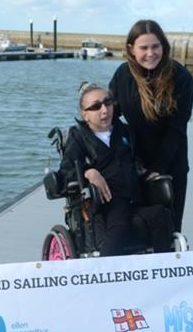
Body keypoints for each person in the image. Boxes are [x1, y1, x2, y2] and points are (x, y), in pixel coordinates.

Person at [59, 83, 174, 256]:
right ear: (85, 114)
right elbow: (65, 172)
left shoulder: (125, 132)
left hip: (135, 199)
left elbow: (139, 162)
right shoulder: (79, 138)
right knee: (120, 225)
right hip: (108, 203)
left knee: (161, 215)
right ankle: (106, 273)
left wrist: (150, 173)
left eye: (108, 103)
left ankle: (163, 269)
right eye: (96, 107)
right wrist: (88, 171)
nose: (104, 110)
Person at [109, 19, 193, 233]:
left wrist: (157, 169)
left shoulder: (181, 77)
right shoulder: (123, 75)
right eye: (144, 48)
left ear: (163, 47)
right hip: (134, 161)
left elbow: (176, 129)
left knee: (169, 227)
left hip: (170, 162)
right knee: (136, 225)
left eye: (155, 46)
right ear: (131, 49)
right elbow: (110, 116)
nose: (150, 53)